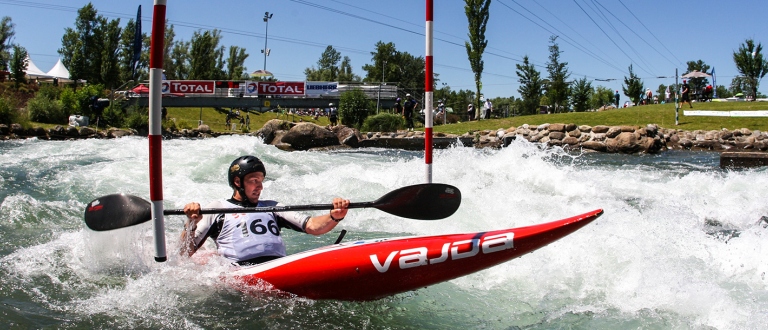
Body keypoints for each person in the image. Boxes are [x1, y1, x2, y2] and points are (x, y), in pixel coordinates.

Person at [180, 156, 350, 265]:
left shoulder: (273, 207)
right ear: (238, 182)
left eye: (261, 181)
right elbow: (183, 252)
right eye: (254, 180)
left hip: (277, 265)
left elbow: (313, 226)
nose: (260, 186)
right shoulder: (217, 209)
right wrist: (192, 223)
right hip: (239, 271)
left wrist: (334, 216)